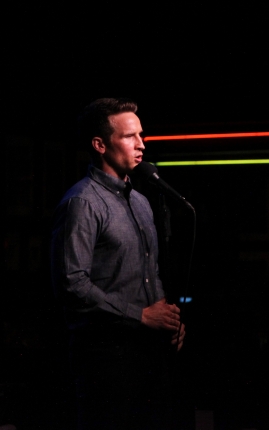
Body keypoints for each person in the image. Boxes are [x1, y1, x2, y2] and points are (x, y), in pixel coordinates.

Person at [50, 98, 185, 430]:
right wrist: (139, 314)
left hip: (150, 354)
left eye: (141, 135)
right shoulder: (82, 202)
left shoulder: (140, 201)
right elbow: (72, 285)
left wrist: (168, 318)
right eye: (129, 136)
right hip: (106, 359)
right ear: (100, 145)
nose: (141, 144)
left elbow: (148, 276)